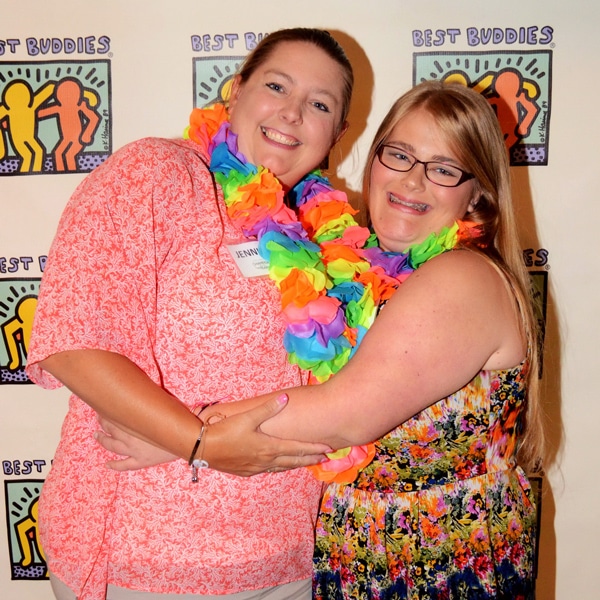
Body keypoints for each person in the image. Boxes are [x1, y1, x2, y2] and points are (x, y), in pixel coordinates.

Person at [97, 81, 544, 599]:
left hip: (438, 568)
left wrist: (183, 433)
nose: (412, 181)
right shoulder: (373, 273)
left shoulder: (462, 277)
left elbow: (345, 412)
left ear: (478, 195)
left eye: (443, 169)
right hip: (364, 559)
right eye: (400, 155)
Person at [26, 27, 355, 600]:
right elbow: (74, 345)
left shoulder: (330, 234)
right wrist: (200, 441)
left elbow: (345, 391)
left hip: (291, 562)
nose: (293, 112)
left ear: (338, 134)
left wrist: (206, 425)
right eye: (277, 86)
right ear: (237, 90)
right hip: (146, 565)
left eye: (320, 104)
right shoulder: (156, 175)